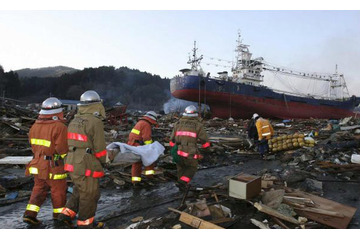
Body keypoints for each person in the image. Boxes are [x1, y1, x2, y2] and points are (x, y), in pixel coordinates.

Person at [58, 90, 106, 228]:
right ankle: (85, 225)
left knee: (79, 190)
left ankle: (66, 215)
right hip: (86, 162)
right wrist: (104, 161)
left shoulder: (74, 120)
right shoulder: (95, 122)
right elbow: (100, 148)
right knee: (90, 194)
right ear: (97, 105)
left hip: (72, 161)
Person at [23, 97, 68, 225]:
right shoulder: (59, 127)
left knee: (39, 188)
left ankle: (30, 214)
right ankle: (59, 217)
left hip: (37, 164)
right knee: (58, 190)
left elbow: (33, 146)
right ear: (58, 111)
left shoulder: (35, 126)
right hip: (53, 165)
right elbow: (62, 149)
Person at [169, 105, 210, 190]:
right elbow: (204, 140)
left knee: (181, 168)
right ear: (195, 114)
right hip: (190, 151)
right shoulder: (197, 125)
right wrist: (206, 149)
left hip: (178, 150)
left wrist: (174, 148)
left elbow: (171, 140)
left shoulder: (178, 123)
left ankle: (181, 187)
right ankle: (182, 182)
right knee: (192, 168)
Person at [127, 111, 158, 186]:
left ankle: (135, 182)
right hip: (138, 145)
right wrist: (150, 147)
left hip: (133, 144)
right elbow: (147, 138)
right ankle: (149, 177)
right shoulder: (146, 124)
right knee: (150, 160)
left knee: (137, 163)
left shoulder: (141, 122)